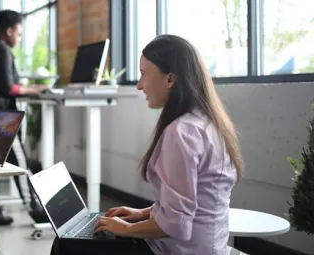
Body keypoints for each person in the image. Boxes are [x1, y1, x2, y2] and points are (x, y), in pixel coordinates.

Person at [50, 34, 245, 255]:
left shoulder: (181, 133)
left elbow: (177, 222)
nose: (139, 85)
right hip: (208, 247)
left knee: (65, 244)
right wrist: (143, 214)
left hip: (177, 250)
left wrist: (127, 229)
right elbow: (190, 202)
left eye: (143, 75)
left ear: (170, 79)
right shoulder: (208, 122)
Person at [0, 10, 49, 226]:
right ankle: (33, 208)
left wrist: (29, 88)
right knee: (20, 160)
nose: (19, 38)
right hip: (1, 116)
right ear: (8, 32)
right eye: (18, 33)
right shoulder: (3, 51)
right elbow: (9, 87)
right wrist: (34, 89)